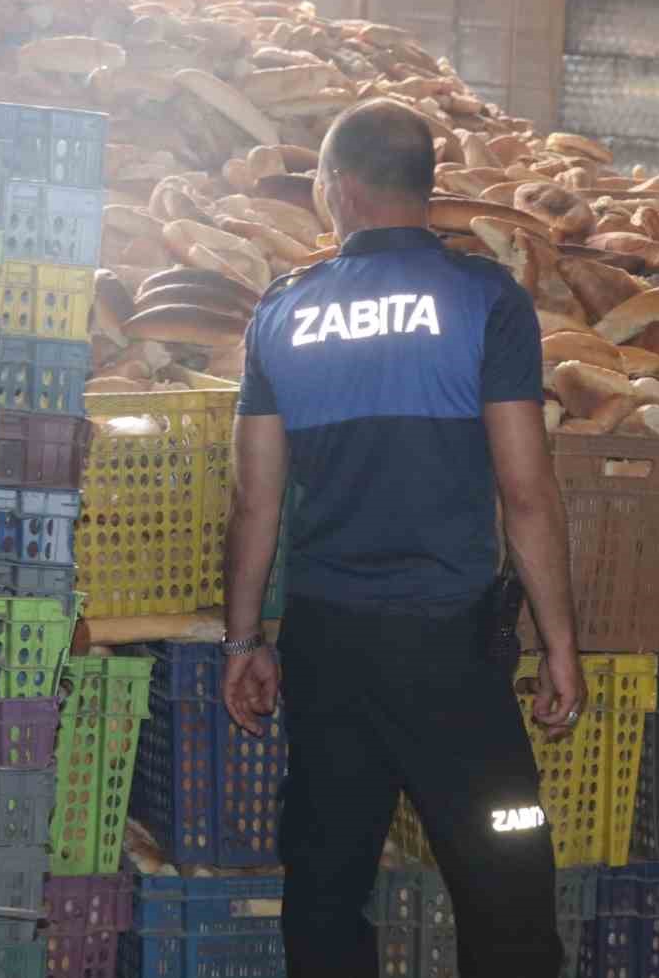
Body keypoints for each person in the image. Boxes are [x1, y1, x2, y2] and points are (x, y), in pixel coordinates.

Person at [218, 98, 587, 978]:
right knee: (508, 875)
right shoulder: (485, 298)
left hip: (327, 647)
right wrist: (561, 645)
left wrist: (243, 641)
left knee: (326, 881)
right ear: (426, 186)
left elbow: (254, 503)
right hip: (448, 650)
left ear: (338, 186)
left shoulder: (283, 310)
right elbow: (527, 493)